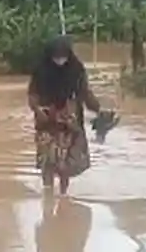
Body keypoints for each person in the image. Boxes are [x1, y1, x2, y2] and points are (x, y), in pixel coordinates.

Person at [27, 36, 103, 195]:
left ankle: (63, 194)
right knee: (47, 160)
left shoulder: (76, 69)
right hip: (46, 121)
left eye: (63, 56)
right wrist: (37, 110)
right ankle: (47, 191)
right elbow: (32, 94)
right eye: (56, 57)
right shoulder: (40, 69)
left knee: (65, 162)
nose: (60, 60)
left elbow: (84, 92)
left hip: (69, 122)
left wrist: (98, 109)